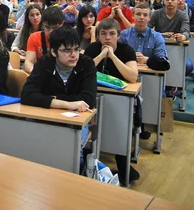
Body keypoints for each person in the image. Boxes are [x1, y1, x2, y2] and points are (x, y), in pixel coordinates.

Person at [84, 18, 139, 182]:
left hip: (121, 98)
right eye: (103, 34)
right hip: (95, 95)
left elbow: (133, 76)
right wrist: (101, 55)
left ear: (118, 35)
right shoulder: (92, 48)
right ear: (99, 36)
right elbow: (82, 71)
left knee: (119, 130)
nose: (107, 38)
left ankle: (122, 163)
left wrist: (113, 56)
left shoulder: (126, 50)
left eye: (112, 34)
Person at [21, 26, 96, 111]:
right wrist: (67, 105)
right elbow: (27, 95)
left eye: (76, 49)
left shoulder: (87, 64)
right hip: (47, 116)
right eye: (67, 51)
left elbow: (89, 100)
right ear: (53, 52)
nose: (74, 55)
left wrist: (52, 98)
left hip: (78, 119)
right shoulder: (44, 63)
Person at [24, 7, 65, 73]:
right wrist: (36, 74)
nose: (51, 31)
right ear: (43, 24)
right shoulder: (34, 37)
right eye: (47, 27)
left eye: (55, 28)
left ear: (62, 23)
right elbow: (28, 62)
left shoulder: (69, 38)